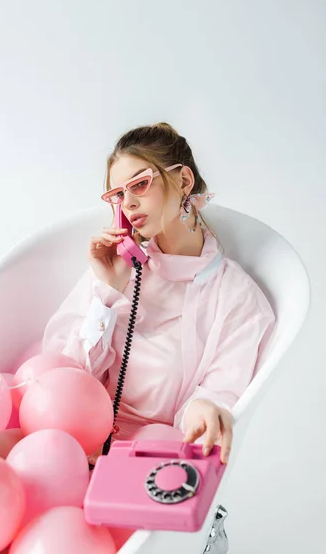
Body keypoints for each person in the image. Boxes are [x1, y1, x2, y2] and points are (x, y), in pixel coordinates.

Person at [43, 122, 275, 465]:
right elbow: (62, 381)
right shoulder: (117, 270)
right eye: (119, 195)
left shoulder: (238, 297)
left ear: (183, 180)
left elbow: (221, 394)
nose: (129, 204)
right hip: (74, 446)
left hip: (156, 462)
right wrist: (108, 292)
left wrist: (205, 408)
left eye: (140, 184)